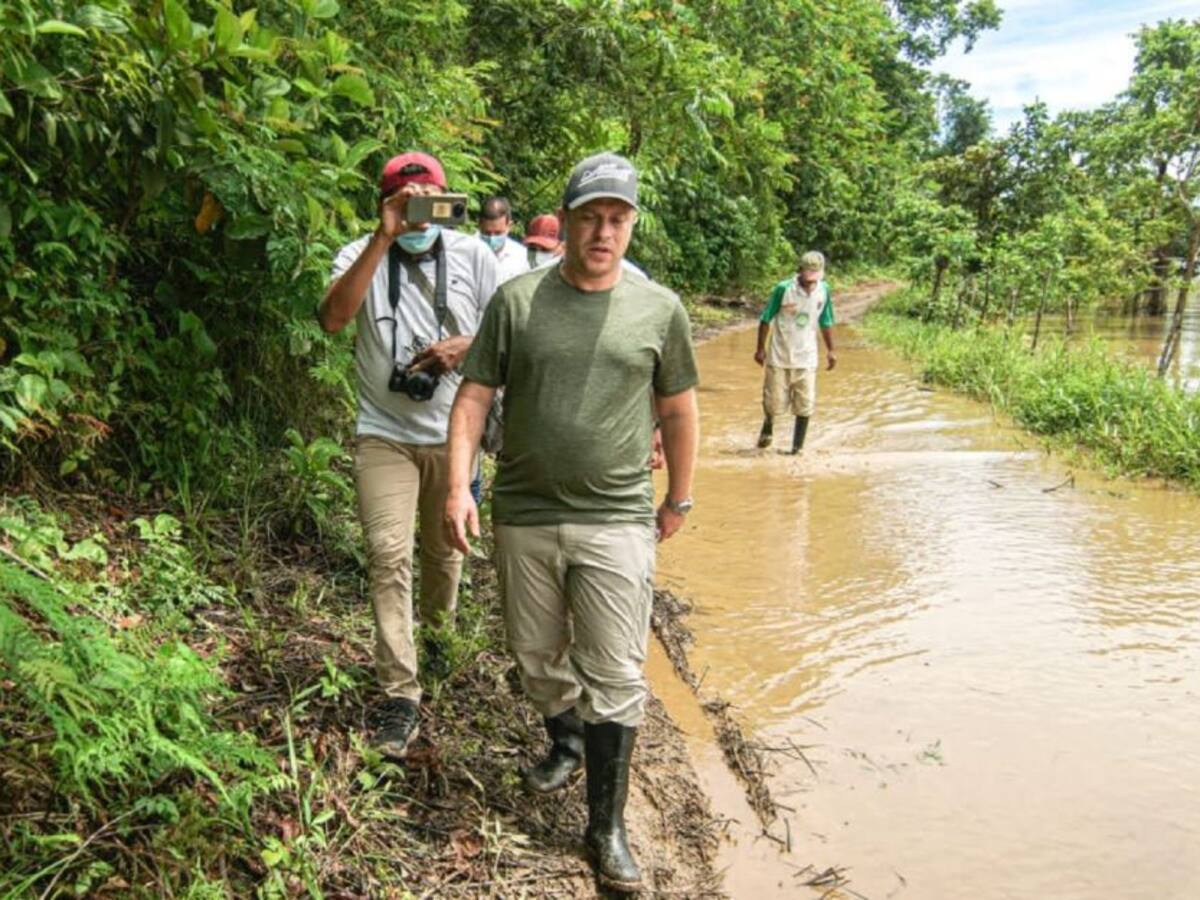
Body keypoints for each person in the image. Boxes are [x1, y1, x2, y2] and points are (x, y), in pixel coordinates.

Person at [443, 152, 700, 893]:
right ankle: (567, 736)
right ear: (567, 221)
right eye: (591, 217)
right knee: (536, 658)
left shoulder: (661, 310)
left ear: (631, 226)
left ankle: (607, 829)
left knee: (617, 671)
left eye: (618, 219)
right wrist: (460, 488)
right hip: (523, 511)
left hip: (617, 515)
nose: (604, 232)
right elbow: (472, 400)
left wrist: (678, 498)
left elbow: (679, 409)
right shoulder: (518, 302)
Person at [318, 152, 499, 759]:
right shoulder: (358, 252)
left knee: (444, 556)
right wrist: (382, 236)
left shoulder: (475, 255)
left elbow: (506, 337)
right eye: (406, 201)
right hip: (383, 432)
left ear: (448, 201)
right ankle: (400, 690)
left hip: (456, 436)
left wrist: (464, 347)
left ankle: (440, 641)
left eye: (431, 201)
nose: (420, 214)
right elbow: (333, 319)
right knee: (387, 554)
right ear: (387, 201)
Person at [754, 250, 837, 454]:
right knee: (773, 403)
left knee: (805, 404)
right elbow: (766, 319)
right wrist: (760, 349)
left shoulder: (823, 291)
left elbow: (826, 322)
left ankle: (797, 448)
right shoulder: (784, 289)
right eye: (807, 276)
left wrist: (831, 350)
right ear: (800, 271)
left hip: (807, 357)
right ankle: (768, 424)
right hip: (779, 355)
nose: (810, 282)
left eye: (814, 277)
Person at [477, 196, 530, 285]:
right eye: (487, 233)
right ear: (479, 225)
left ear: (509, 226)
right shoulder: (467, 251)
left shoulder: (520, 256)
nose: (492, 238)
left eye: (498, 233)